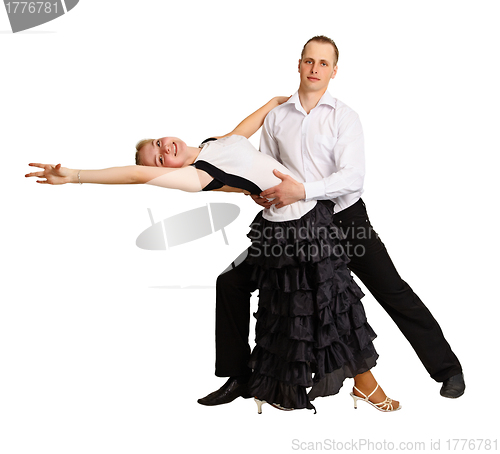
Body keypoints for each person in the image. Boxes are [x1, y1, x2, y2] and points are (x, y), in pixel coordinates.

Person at [25, 97, 400, 412]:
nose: (163, 150)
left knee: (320, 301)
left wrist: (274, 103)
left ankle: (362, 384)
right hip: (290, 230)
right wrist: (74, 175)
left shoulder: (212, 144)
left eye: (158, 143)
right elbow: (134, 175)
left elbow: (240, 138)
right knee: (298, 299)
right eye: (157, 161)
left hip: (299, 219)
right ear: (163, 172)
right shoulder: (195, 175)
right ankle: (244, 378)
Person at [198, 35, 464, 408]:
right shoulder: (276, 118)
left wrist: (302, 190)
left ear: (334, 71)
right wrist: (263, 193)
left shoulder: (344, 116)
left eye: (323, 63)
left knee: (390, 289)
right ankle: (240, 376)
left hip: (344, 219)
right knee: (231, 282)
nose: (315, 69)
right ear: (299, 64)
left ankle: (447, 369)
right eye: (309, 61)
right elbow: (269, 169)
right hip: (295, 227)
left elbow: (352, 177)